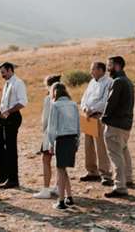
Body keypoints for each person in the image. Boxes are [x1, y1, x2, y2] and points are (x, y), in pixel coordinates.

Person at [101, 55, 135, 198]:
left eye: (109, 65)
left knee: (115, 155)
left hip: (115, 124)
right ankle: (128, 178)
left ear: (116, 66)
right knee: (123, 151)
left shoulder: (118, 82)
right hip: (126, 124)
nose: (107, 68)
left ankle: (120, 186)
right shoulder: (128, 81)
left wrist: (104, 117)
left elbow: (111, 102)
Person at [0, 62, 28, 189]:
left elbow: (22, 103)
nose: (2, 75)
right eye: (1, 73)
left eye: (3, 72)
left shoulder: (18, 83)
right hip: (3, 118)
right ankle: (2, 175)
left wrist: (8, 111)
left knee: (11, 149)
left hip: (13, 118)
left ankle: (13, 180)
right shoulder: (7, 83)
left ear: (10, 70)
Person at [47, 82, 80, 210]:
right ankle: (69, 197)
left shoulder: (55, 105)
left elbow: (51, 127)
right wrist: (78, 141)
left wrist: (51, 143)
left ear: (54, 92)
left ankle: (61, 201)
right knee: (63, 168)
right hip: (72, 138)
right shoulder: (73, 104)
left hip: (61, 139)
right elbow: (78, 125)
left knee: (60, 169)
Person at [80, 61, 113, 184]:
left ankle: (105, 173)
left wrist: (92, 109)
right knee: (88, 146)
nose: (91, 72)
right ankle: (92, 172)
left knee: (100, 146)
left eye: (93, 69)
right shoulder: (92, 82)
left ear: (100, 70)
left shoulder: (108, 82)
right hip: (87, 116)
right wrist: (84, 108)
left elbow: (105, 101)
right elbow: (84, 98)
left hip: (98, 116)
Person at [33, 74, 61, 199]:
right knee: (60, 162)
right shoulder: (66, 99)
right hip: (63, 134)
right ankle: (59, 186)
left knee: (46, 160)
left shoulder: (48, 99)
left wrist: (44, 131)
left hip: (50, 133)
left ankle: (45, 189)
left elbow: (45, 120)